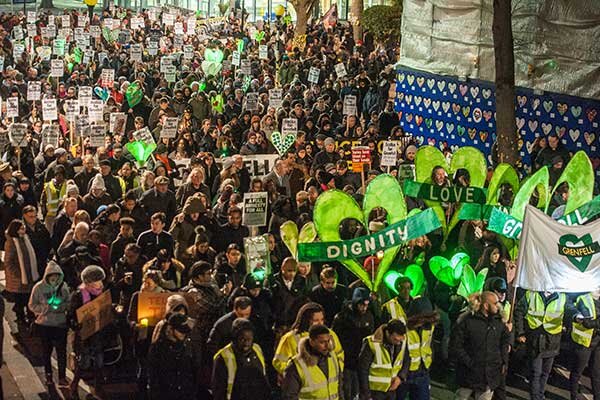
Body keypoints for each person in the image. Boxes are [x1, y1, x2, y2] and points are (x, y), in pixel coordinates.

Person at [451, 291, 510, 400]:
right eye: (495, 303)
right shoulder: (468, 321)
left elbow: (504, 342)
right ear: (486, 305)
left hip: (489, 375)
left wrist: (503, 362)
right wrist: (469, 363)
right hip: (468, 375)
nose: (498, 305)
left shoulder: (499, 323)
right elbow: (457, 345)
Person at [514, 290, 571, 400]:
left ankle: (540, 395)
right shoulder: (531, 294)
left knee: (545, 373)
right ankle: (535, 397)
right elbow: (519, 311)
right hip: (535, 341)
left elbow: (570, 309)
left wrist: (576, 316)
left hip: (552, 342)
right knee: (536, 373)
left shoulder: (562, 297)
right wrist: (520, 332)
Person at [67, 265, 109, 399]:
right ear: (89, 282)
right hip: (83, 336)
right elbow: (71, 315)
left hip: (98, 333)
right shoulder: (79, 295)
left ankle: (98, 386)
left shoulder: (101, 292)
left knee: (99, 361)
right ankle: (74, 384)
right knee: (83, 362)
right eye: (98, 281)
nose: (101, 284)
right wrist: (77, 325)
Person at [273, 302, 344, 379]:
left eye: (322, 319)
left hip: (329, 383)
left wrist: (337, 371)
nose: (320, 323)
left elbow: (339, 354)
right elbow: (279, 362)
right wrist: (295, 375)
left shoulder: (331, 334)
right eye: (316, 320)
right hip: (303, 385)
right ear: (306, 320)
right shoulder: (290, 338)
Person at [28, 261, 71, 388]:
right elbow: (32, 305)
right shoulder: (39, 288)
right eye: (52, 277)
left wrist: (60, 307)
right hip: (44, 324)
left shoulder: (63, 287)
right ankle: (49, 376)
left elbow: (68, 303)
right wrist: (44, 309)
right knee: (46, 351)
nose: (55, 280)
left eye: (57, 277)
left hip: (60, 324)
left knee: (61, 351)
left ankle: (62, 377)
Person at [212, 318, 271, 400]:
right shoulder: (223, 357)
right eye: (242, 339)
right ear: (234, 337)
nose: (246, 343)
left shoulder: (257, 349)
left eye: (249, 339)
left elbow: (264, 378)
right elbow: (218, 391)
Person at [333, 287, 376, 400]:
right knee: (347, 391)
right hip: (347, 362)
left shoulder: (369, 317)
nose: (364, 308)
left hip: (361, 363)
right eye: (362, 304)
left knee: (359, 392)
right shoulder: (342, 318)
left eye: (367, 305)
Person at [281, 324, 343, 400]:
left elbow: (339, 386)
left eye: (328, 341)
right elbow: (289, 396)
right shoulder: (296, 365)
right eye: (322, 342)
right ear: (312, 342)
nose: (327, 346)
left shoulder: (333, 357)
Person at [396, 297, 439, 400]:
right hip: (404, 374)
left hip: (422, 372)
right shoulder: (403, 327)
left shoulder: (429, 326)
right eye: (422, 317)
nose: (424, 320)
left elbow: (429, 345)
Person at [147, 314, 197, 399]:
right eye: (180, 331)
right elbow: (153, 376)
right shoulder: (158, 348)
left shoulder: (186, 346)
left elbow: (191, 371)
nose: (183, 334)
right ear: (170, 329)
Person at [357, 319, 408, 400]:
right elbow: (362, 370)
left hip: (391, 392)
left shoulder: (402, 342)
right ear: (387, 333)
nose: (398, 343)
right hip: (373, 392)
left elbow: (406, 360)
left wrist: (400, 377)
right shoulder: (372, 343)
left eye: (400, 340)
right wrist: (366, 395)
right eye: (395, 339)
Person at [4, 219, 39, 324]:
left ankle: (29, 316)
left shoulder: (25, 239)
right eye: (22, 228)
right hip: (19, 279)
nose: (24, 230)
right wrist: (18, 274)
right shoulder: (11, 243)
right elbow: (8, 262)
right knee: (20, 300)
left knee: (28, 298)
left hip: (28, 276)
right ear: (16, 230)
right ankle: (20, 318)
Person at [569, 290, 600, 400]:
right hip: (583, 342)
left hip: (597, 344)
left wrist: (593, 323)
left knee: (596, 374)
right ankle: (574, 397)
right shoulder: (583, 298)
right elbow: (585, 323)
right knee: (577, 372)